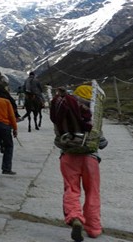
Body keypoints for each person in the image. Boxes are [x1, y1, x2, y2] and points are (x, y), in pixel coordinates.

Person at [50, 86, 107, 241]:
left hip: (68, 157)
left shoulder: (65, 113)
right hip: (90, 159)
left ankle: (75, 217)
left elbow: (58, 139)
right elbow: (102, 143)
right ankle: (93, 228)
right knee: (92, 192)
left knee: (71, 189)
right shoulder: (94, 117)